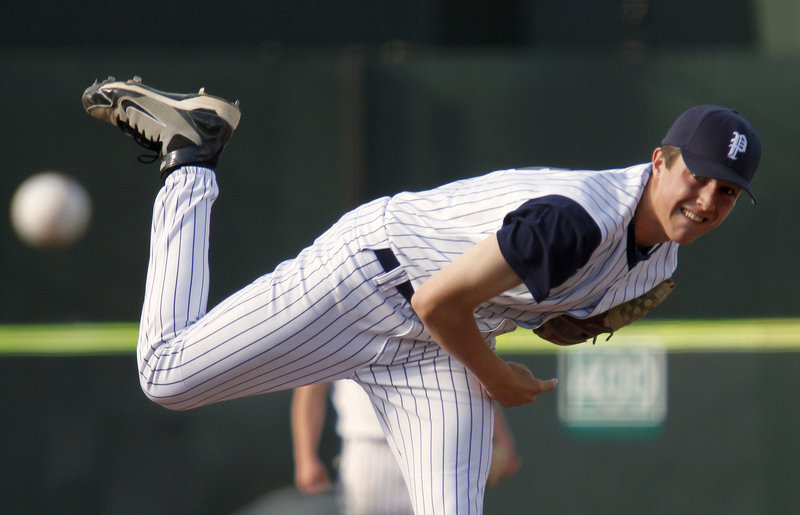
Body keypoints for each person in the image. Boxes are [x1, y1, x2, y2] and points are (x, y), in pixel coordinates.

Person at [82, 76, 761, 514]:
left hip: (437, 346)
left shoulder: (660, 253)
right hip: (372, 283)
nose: (706, 200)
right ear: (659, 160)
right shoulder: (577, 218)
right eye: (697, 177)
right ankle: (191, 160)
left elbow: (524, 310)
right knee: (167, 376)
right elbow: (438, 300)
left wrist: (561, 321)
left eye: (725, 191)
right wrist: (497, 377)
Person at [291, 379, 521, 514]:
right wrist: (305, 457)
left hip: (439, 450)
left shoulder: (432, 300)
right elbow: (310, 390)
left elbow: (468, 378)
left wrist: (502, 439)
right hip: (372, 451)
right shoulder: (342, 306)